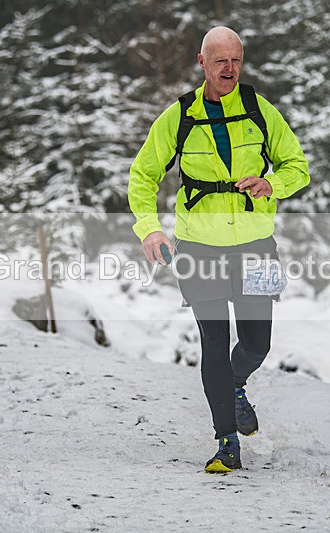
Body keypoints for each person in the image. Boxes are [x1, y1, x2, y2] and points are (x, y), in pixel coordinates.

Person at [128, 26, 310, 473]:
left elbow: (298, 167)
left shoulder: (259, 110)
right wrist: (149, 229)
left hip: (257, 244)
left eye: (236, 60)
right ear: (202, 63)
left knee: (257, 342)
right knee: (213, 343)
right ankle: (227, 443)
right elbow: (142, 175)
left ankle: (235, 385)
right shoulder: (180, 116)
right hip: (198, 246)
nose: (229, 69)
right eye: (220, 61)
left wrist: (273, 183)